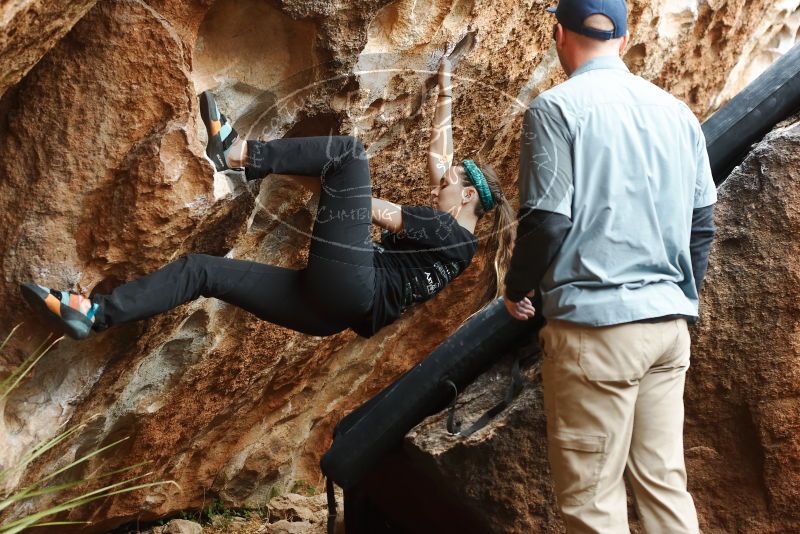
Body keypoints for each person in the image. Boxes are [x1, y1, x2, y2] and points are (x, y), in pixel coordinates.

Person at [20, 65, 515, 342]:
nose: (437, 184)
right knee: (201, 271)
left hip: (351, 285)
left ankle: (238, 153)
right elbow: (441, 156)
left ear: (467, 195)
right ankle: (94, 313)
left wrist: (339, 190)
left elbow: (368, 207)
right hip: (328, 314)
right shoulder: (456, 243)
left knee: (348, 155)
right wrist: (446, 90)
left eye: (448, 184)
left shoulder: (446, 231)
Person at [502, 0, 717, 532]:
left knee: (593, 502)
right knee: (665, 486)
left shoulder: (554, 109)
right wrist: (678, 299)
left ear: (558, 34)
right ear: (624, 40)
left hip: (596, 331)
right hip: (667, 329)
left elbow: (547, 221)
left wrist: (517, 287)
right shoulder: (676, 112)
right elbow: (702, 225)